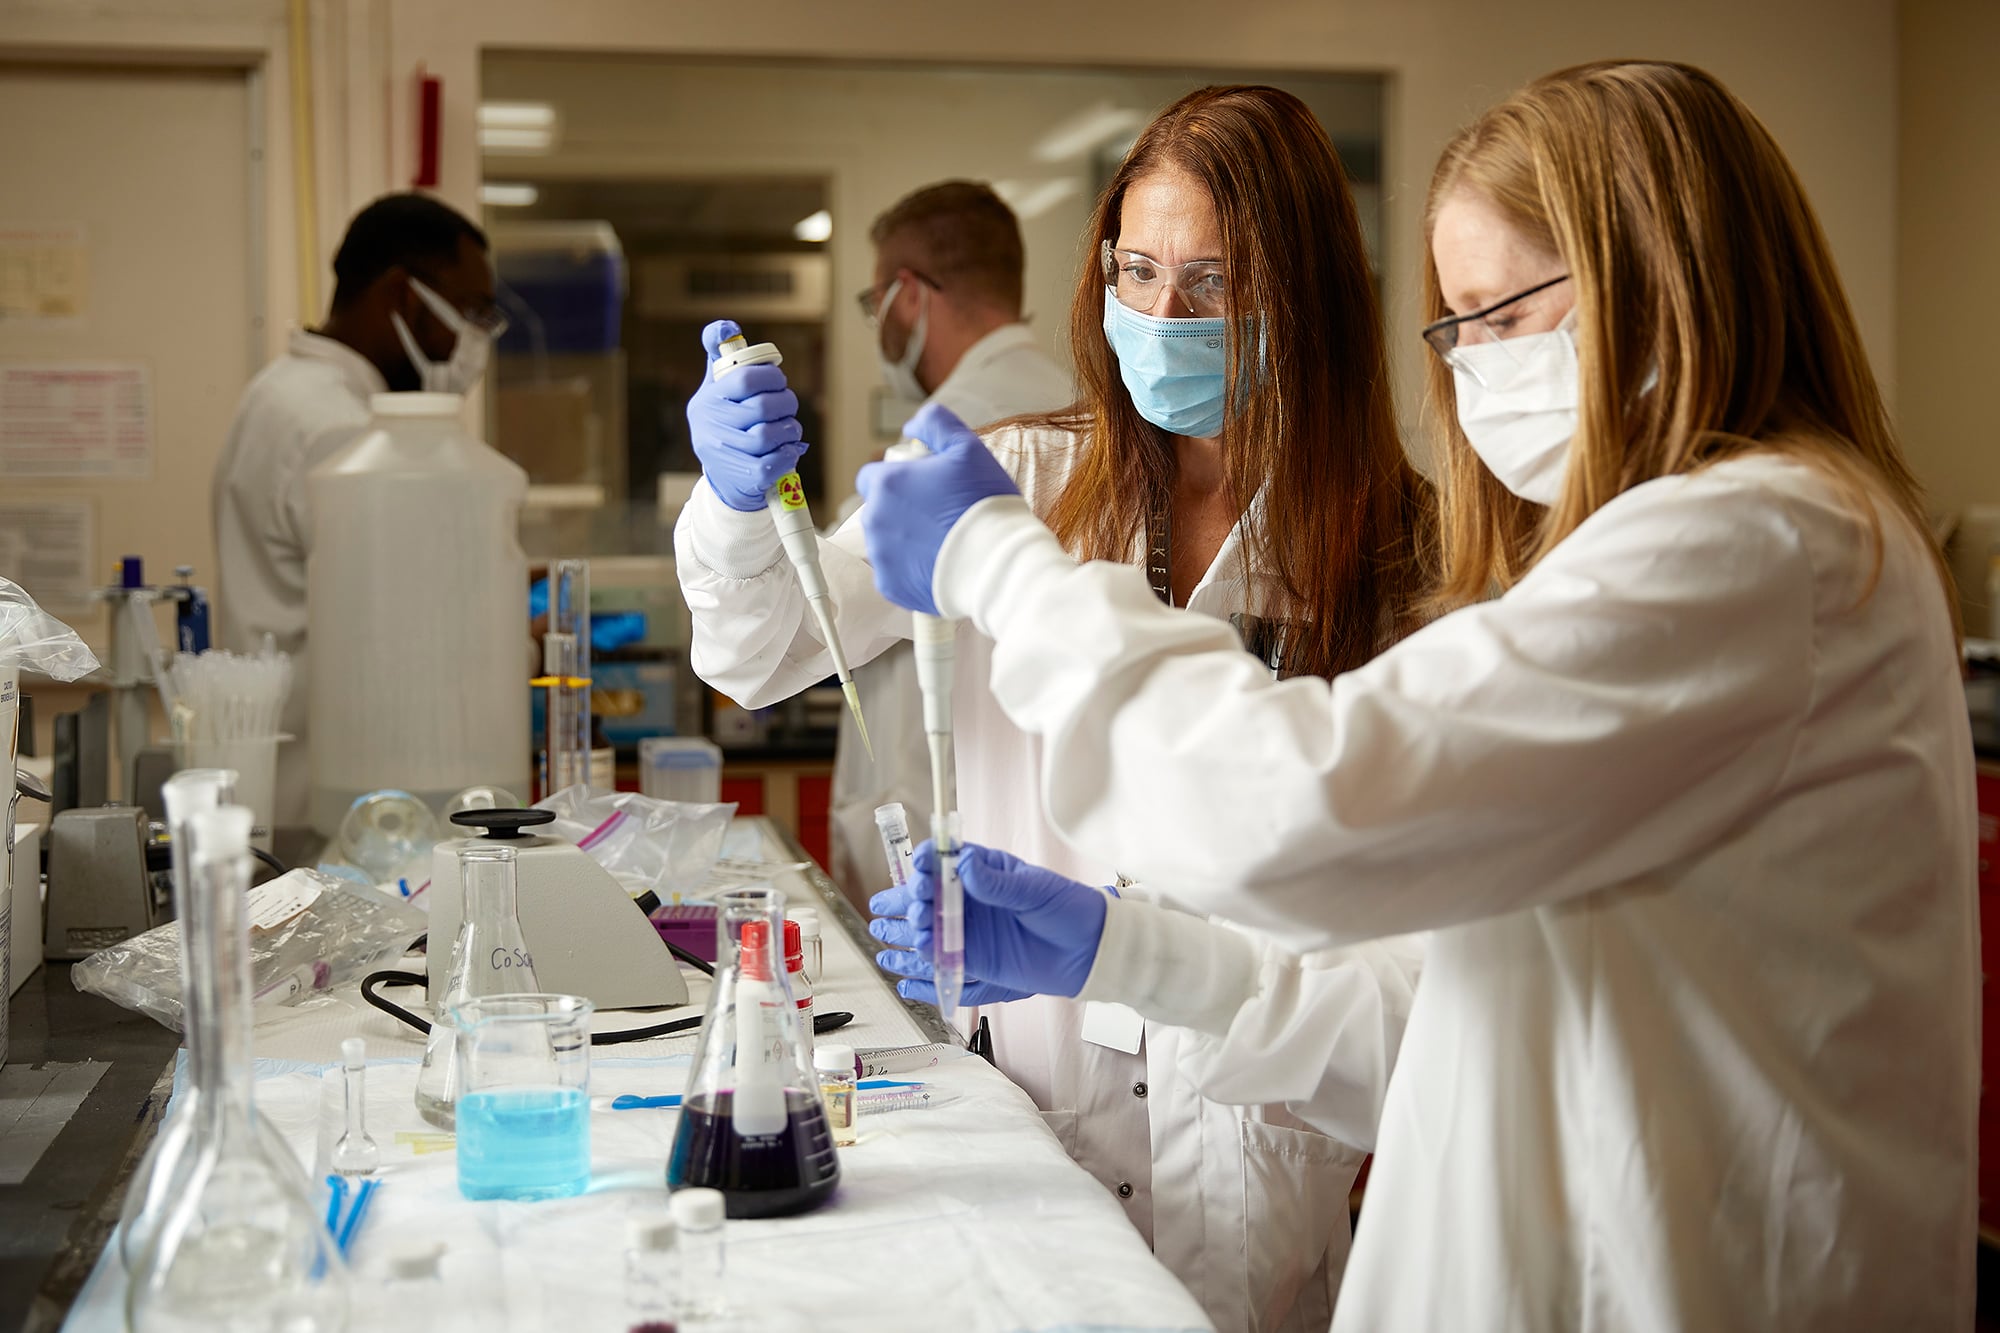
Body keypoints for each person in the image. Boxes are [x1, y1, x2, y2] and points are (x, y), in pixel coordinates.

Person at [857, 61, 1977, 1331]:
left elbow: (1287, 810)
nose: (1471, 366)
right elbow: (1432, 1016)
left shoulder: (1755, 549)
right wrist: (1121, 953)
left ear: (1656, 280)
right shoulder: (1704, 549)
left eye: (1500, 312)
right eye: (1454, 325)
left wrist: (997, 561)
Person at [677, 87, 1433, 1331]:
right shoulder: (1019, 480)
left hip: (1260, 1156)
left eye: (1209, 283)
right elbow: (758, 649)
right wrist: (733, 502)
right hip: (1031, 1098)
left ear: (1305, 295)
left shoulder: (1398, 551)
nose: (1159, 317)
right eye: (1135, 271)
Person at [212, 193, 503, 824]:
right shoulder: (337, 429)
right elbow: (417, 638)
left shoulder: (287, 393)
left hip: (311, 796)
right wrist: (517, 635)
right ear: (403, 296)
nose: (478, 340)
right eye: (473, 311)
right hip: (334, 810)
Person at [827, 182, 1072, 906]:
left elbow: (813, 618)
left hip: (940, 832)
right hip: (1035, 830)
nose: (881, 326)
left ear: (909, 295)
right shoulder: (1081, 404)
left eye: (877, 305)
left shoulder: (950, 430)